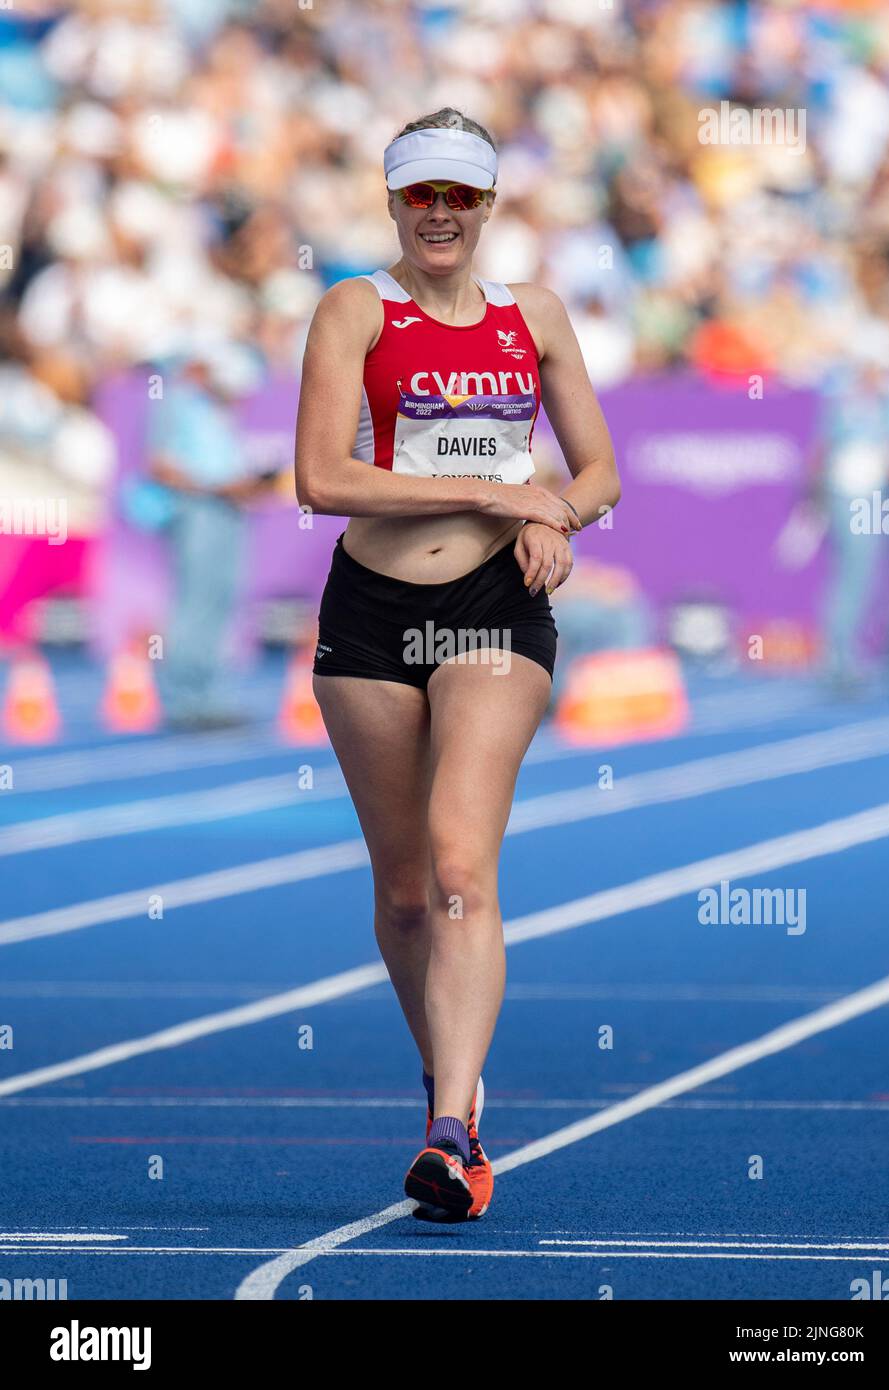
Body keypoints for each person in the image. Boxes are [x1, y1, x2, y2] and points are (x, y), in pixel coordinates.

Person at [295, 109, 620, 1220]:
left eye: (460, 195)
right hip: (372, 610)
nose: (440, 213)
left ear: (488, 206)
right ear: (391, 201)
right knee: (398, 897)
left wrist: (558, 518)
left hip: (496, 608)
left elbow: (597, 467)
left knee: (455, 867)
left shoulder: (534, 314)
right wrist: (498, 492)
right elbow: (322, 480)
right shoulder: (353, 309)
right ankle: (456, 1088)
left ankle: (448, 1135)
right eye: (420, 194)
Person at [146, 346, 274, 729]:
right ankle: (183, 698)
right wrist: (217, 487)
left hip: (227, 512)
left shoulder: (218, 411)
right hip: (199, 512)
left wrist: (242, 486)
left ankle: (210, 696)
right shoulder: (177, 403)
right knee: (196, 604)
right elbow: (161, 466)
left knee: (221, 602)